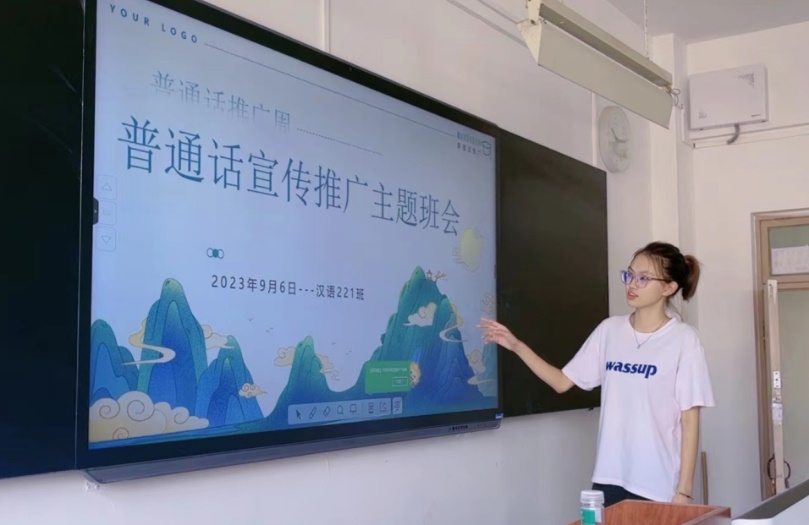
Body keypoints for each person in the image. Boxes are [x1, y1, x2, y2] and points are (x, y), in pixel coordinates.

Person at [479, 241, 715, 507]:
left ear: (669, 287)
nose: (632, 284)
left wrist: (684, 491)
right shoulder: (609, 330)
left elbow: (689, 419)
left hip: (657, 485)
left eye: (643, 278)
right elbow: (561, 382)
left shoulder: (683, 339)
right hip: (608, 479)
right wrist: (516, 346)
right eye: (629, 275)